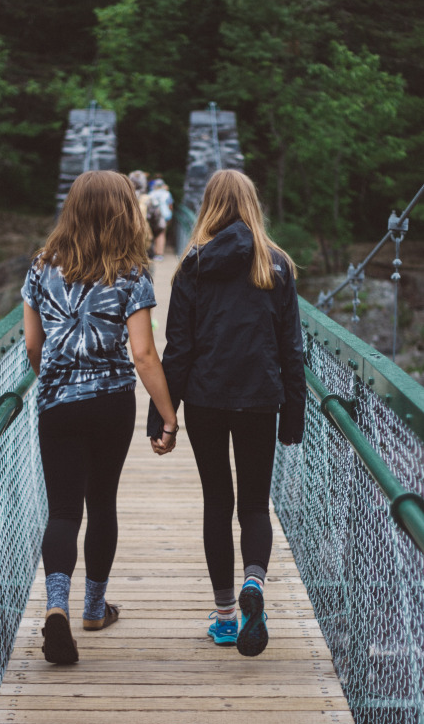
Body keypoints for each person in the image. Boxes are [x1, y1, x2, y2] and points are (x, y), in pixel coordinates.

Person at [147, 169, 306, 657]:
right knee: (255, 504)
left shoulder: (191, 267)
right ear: (252, 205)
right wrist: (294, 415)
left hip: (207, 399)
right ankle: (254, 582)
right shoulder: (276, 265)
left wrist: (163, 418)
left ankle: (223, 618)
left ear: (208, 208)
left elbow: (177, 351)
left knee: (217, 501)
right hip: (262, 398)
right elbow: (292, 349)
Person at [22, 170, 177, 665]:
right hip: (111, 404)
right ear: (124, 212)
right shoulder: (131, 273)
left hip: (57, 404)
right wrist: (168, 415)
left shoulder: (40, 268)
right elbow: (144, 354)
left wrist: (53, 381)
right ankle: (93, 608)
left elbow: (31, 345)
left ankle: (56, 609)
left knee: (64, 510)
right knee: (102, 502)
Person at [128, 170, 166, 260]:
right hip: (145, 249)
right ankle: (158, 255)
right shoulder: (150, 200)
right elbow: (160, 225)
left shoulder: (122, 200)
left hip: (125, 249)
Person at [149, 178, 174, 262]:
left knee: (152, 234)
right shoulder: (167, 194)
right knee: (161, 234)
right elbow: (170, 206)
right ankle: (159, 254)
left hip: (152, 217)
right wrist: (170, 218)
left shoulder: (151, 193)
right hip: (163, 217)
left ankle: (152, 252)